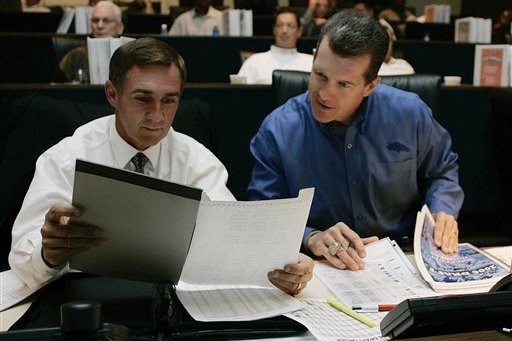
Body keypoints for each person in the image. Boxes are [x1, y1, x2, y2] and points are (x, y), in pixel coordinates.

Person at [9, 37, 313, 296]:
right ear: (112, 94)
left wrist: (281, 266)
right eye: (143, 98)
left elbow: (232, 244)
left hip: (172, 300)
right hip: (88, 295)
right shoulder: (65, 158)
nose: (157, 115)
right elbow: (22, 258)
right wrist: (48, 253)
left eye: (169, 100)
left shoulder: (198, 162)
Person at [247, 10, 464, 271]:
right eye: (320, 75)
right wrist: (311, 236)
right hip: (321, 265)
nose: (325, 94)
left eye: (344, 84)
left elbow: (441, 171)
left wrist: (442, 211)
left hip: (404, 259)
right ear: (314, 57)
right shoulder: (278, 129)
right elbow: (262, 214)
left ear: (371, 86)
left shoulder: (409, 113)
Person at [237, 8, 313, 84]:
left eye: (290, 26)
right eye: (279, 25)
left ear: (299, 31)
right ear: (274, 30)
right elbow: (239, 93)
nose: (284, 31)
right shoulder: (254, 61)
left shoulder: (310, 62)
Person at [57, 1, 124, 83]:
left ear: (120, 27)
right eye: (95, 20)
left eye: (106, 20)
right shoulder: (75, 55)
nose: (100, 26)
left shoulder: (128, 55)